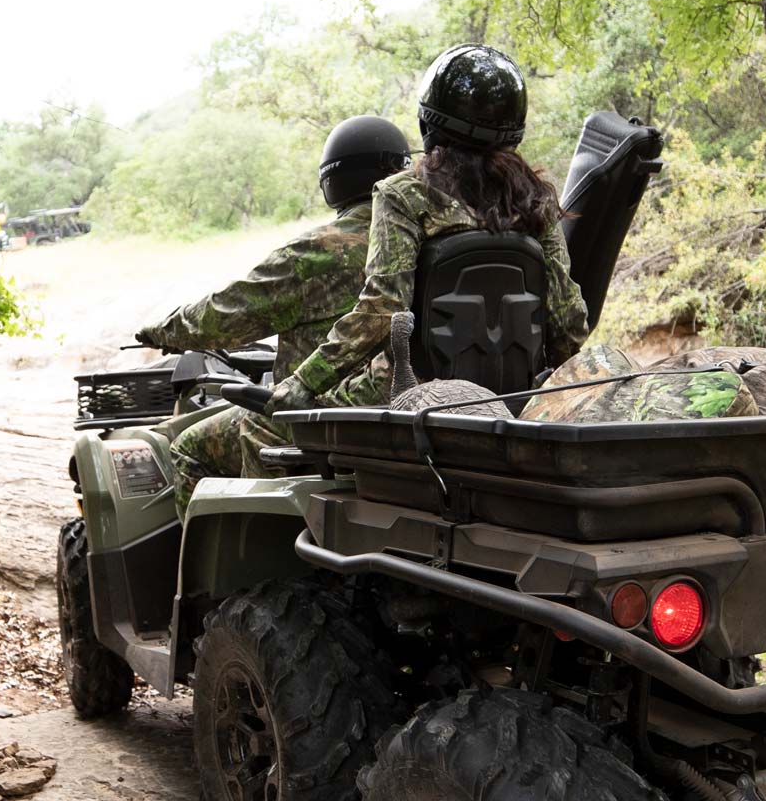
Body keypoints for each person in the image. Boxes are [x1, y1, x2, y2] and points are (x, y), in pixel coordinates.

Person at [270, 43, 589, 416]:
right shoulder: (536, 202)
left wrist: (305, 382)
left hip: (412, 399)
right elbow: (569, 324)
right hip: (509, 405)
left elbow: (382, 310)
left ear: (428, 123)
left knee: (248, 427)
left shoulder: (403, 194)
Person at [142, 115, 409, 500]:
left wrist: (164, 330)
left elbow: (227, 314)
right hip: (406, 404)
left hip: (317, 415)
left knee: (188, 448)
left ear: (332, 179)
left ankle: (224, 554)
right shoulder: (423, 234)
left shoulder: (320, 250)